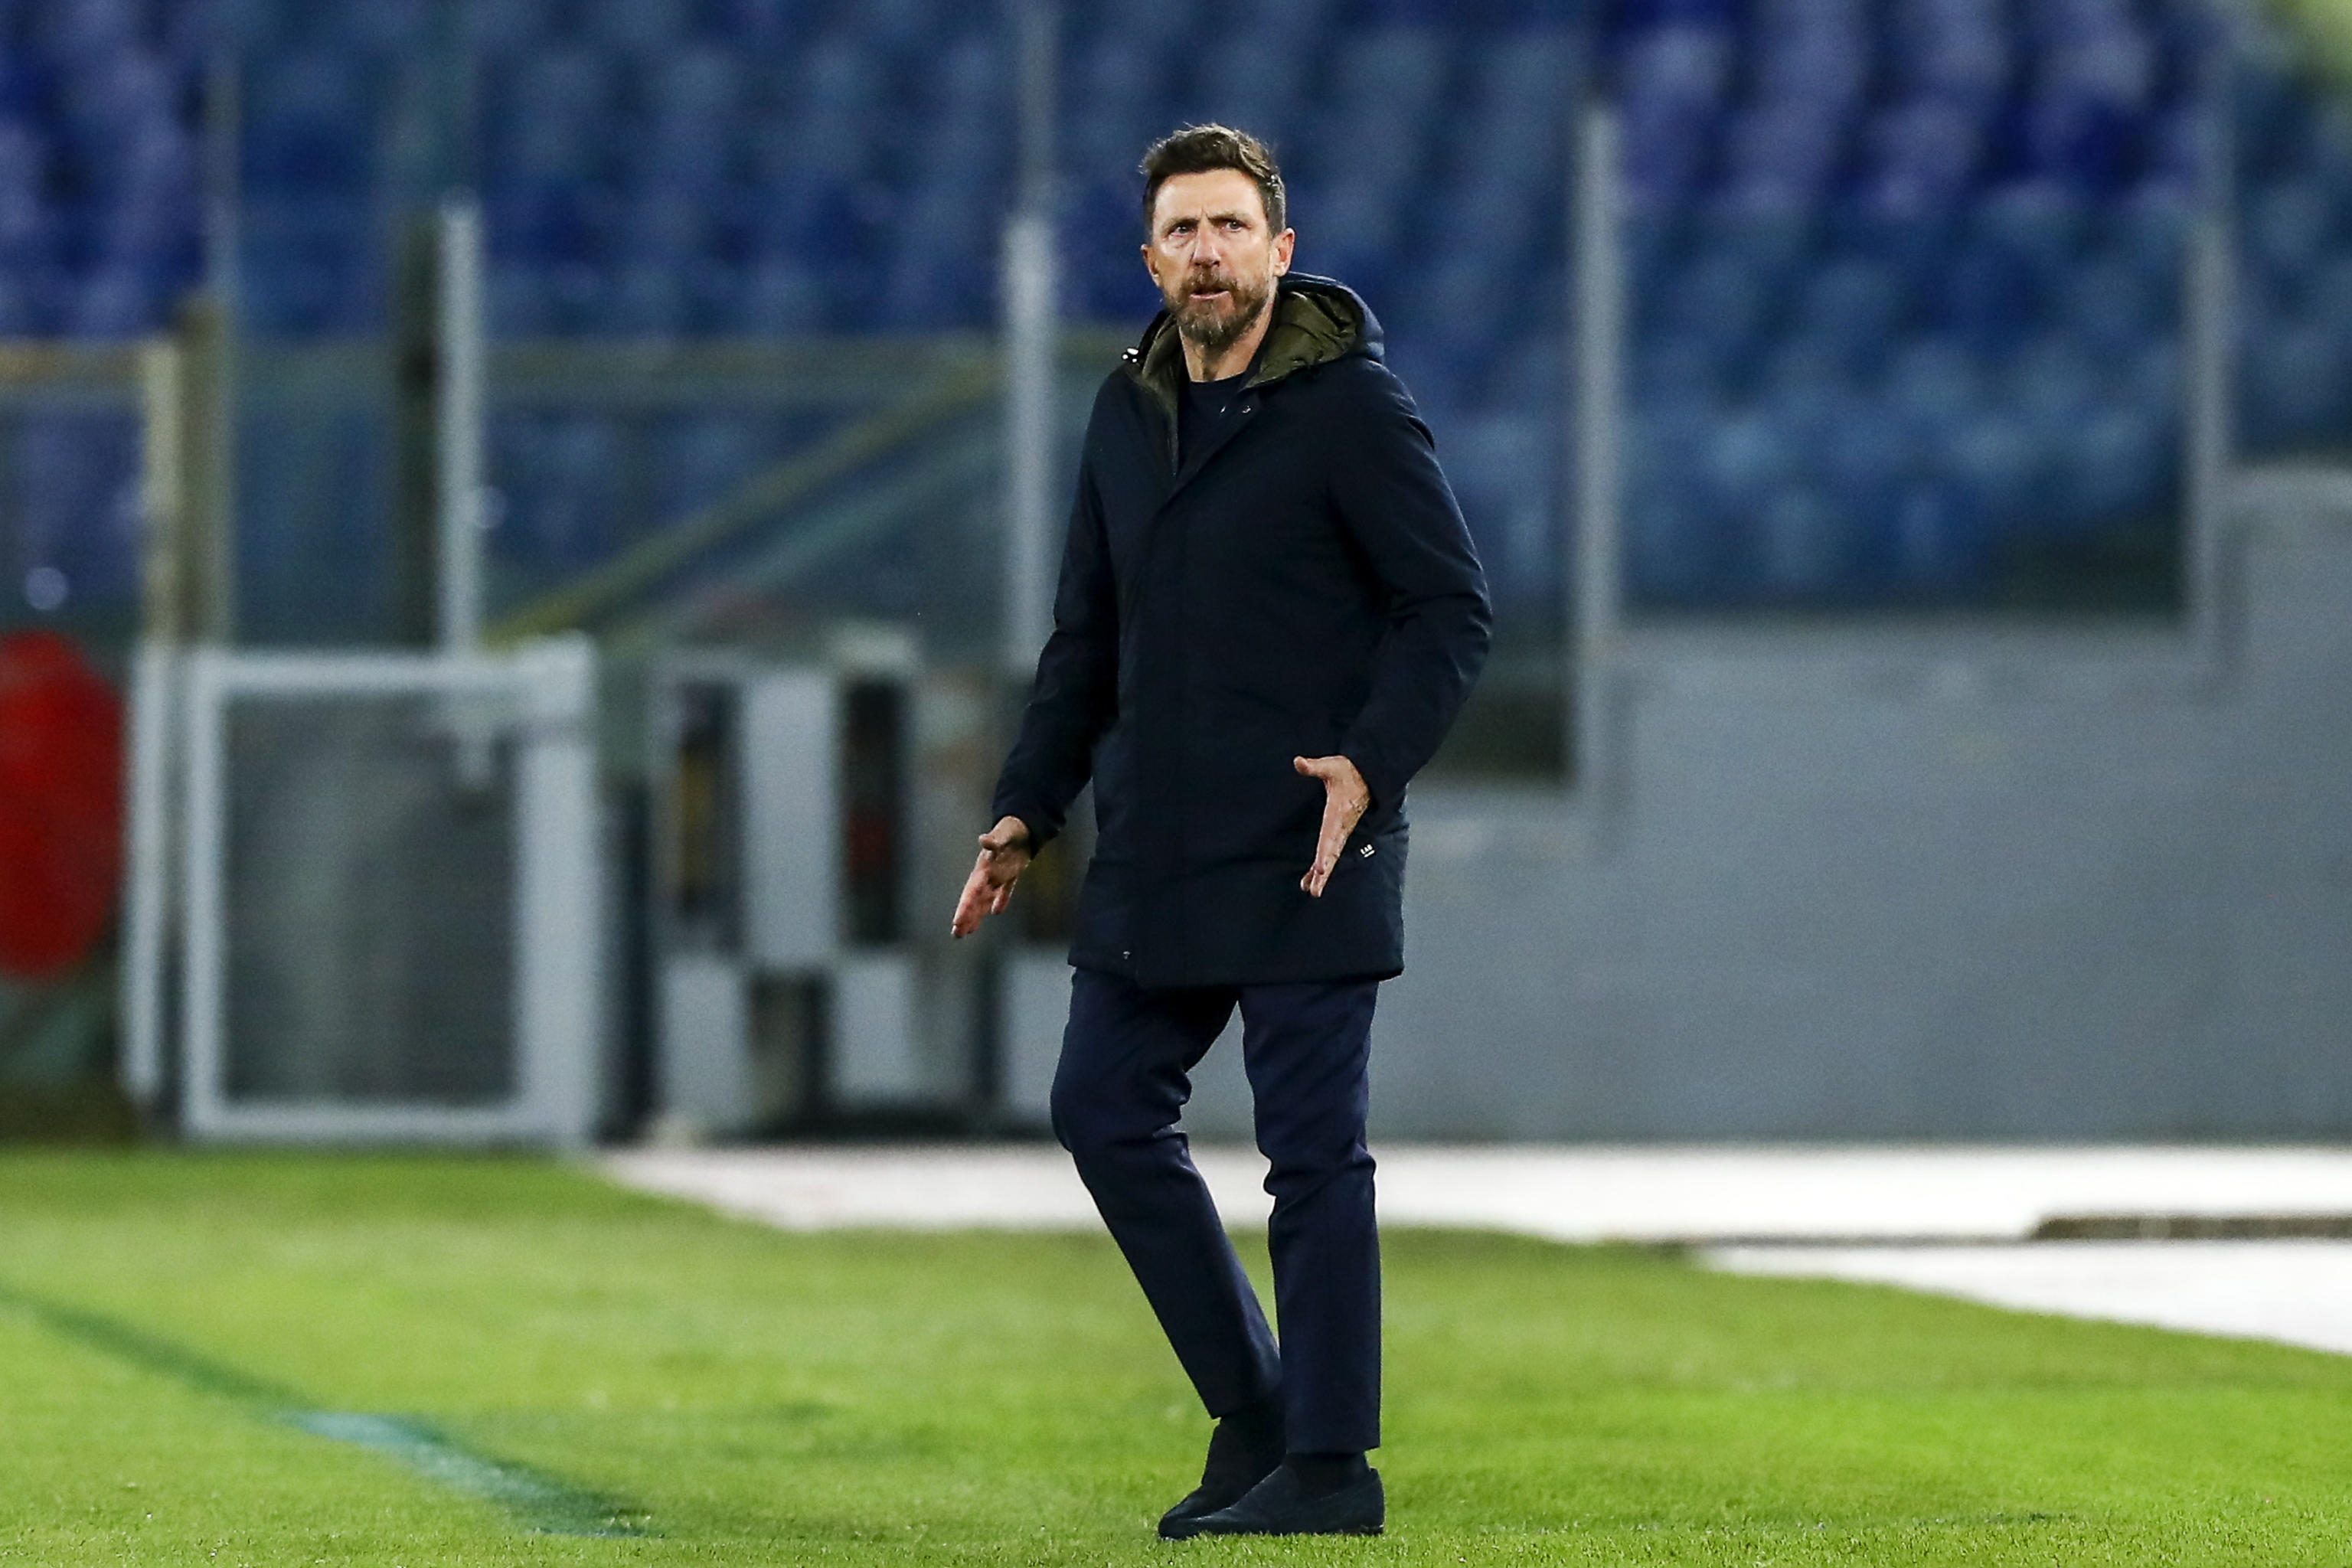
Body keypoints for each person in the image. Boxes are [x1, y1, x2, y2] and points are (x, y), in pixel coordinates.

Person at [951, 123, 1491, 1539]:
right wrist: (1025, 803)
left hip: (1313, 835)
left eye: (1232, 229)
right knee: (1101, 1109)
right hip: (1158, 840)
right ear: (1150, 259)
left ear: (1281, 250)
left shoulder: (1353, 410)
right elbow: (1088, 635)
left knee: (1313, 1154)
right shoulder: (1125, 415)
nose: (1208, 253)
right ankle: (1254, 1417)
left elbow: (1450, 611)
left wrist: (1373, 764)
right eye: (1183, 232)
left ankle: (1332, 1471)